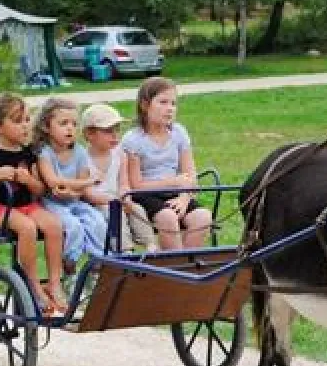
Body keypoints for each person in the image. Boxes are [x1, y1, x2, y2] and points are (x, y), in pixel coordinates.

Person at [0, 92, 66, 314]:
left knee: (54, 225)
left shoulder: (27, 153)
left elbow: (40, 189)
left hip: (25, 206)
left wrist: (28, 180)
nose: (24, 126)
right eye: (17, 121)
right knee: (27, 228)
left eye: (27, 120)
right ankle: (32, 284)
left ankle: (54, 282)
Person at [122, 77, 213, 251]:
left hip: (176, 195)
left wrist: (184, 199)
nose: (170, 108)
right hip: (146, 196)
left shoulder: (179, 133)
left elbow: (190, 175)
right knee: (168, 217)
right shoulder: (133, 140)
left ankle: (188, 267)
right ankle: (173, 270)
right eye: (163, 102)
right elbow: (136, 185)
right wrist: (173, 182)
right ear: (145, 105)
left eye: (173, 103)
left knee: (203, 216)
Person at [34, 98, 109, 279]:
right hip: (51, 203)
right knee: (72, 226)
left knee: (97, 221)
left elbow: (78, 188)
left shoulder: (80, 152)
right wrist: (88, 182)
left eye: (74, 124)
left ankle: (96, 264)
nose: (70, 128)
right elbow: (52, 182)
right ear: (46, 126)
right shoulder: (44, 152)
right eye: (63, 123)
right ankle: (69, 266)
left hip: (73, 200)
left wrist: (72, 190)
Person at [81, 104, 158, 253]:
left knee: (137, 209)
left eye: (117, 130)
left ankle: (150, 245)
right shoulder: (83, 159)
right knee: (114, 212)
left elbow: (124, 183)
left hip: (118, 199)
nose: (115, 136)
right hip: (98, 205)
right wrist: (114, 202)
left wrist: (126, 197)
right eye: (108, 131)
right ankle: (124, 250)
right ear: (90, 134)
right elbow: (88, 193)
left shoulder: (120, 155)